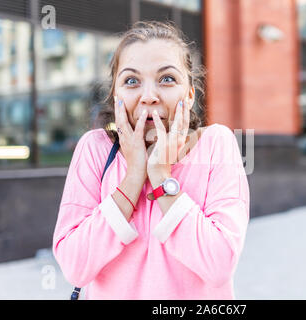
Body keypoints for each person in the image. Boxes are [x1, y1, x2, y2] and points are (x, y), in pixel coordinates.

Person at [52, 21, 250, 300]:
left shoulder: (216, 143)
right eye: (131, 81)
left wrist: (160, 174)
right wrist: (133, 177)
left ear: (190, 94)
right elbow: (75, 267)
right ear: (116, 96)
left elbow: (219, 265)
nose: (149, 97)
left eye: (167, 79)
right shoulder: (94, 149)